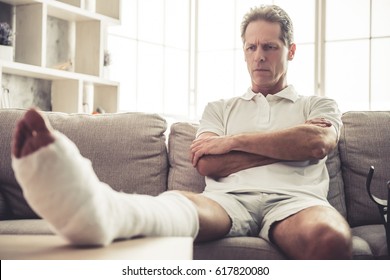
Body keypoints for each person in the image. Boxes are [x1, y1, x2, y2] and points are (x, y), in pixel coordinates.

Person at [11, 5, 352, 259]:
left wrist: (232, 142)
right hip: (228, 202)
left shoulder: (318, 104)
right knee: (173, 210)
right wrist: (287, 146)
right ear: (244, 52)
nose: (259, 56)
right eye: (251, 47)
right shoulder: (219, 108)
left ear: (290, 51)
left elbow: (316, 142)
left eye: (270, 47)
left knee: (332, 237)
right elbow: (208, 165)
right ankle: (102, 213)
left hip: (297, 204)